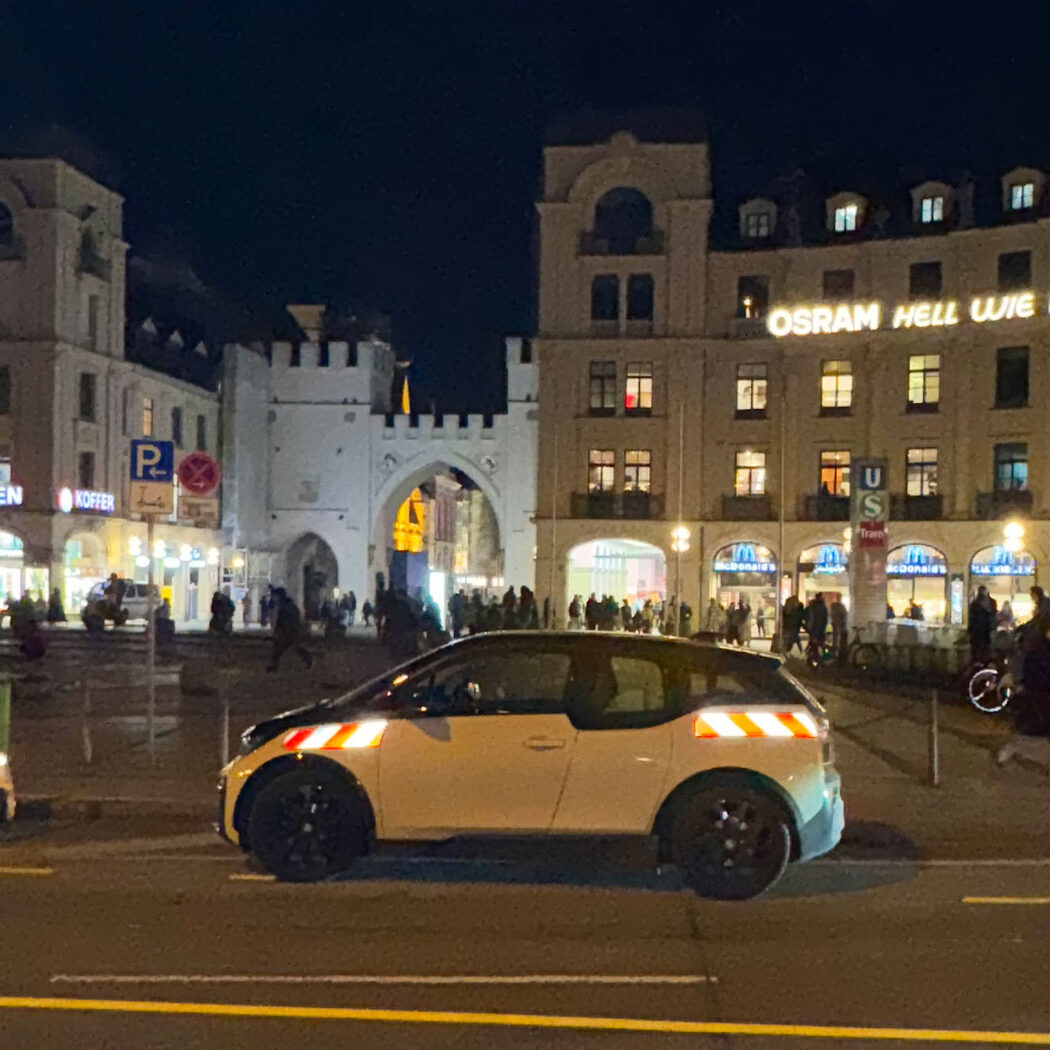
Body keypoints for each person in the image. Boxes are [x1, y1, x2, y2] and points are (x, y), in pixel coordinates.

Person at [996, 625, 1050, 768]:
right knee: (1029, 729)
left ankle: (1010, 750)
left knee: (1030, 728)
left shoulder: (1035, 652)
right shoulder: (1036, 653)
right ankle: (1010, 750)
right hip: (1038, 696)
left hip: (1037, 695)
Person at [266, 589, 313, 672]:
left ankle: (274, 666)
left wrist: (278, 630)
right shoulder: (291, 606)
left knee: (279, 648)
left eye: (275, 596)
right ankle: (308, 660)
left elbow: (281, 620)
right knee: (293, 647)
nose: (274, 598)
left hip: (288, 630)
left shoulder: (284, 607)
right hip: (293, 630)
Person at [968, 585, 997, 661]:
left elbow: (971, 619)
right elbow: (993, 617)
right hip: (985, 633)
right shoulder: (991, 603)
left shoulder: (975, 604)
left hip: (979, 633)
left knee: (979, 653)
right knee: (985, 652)